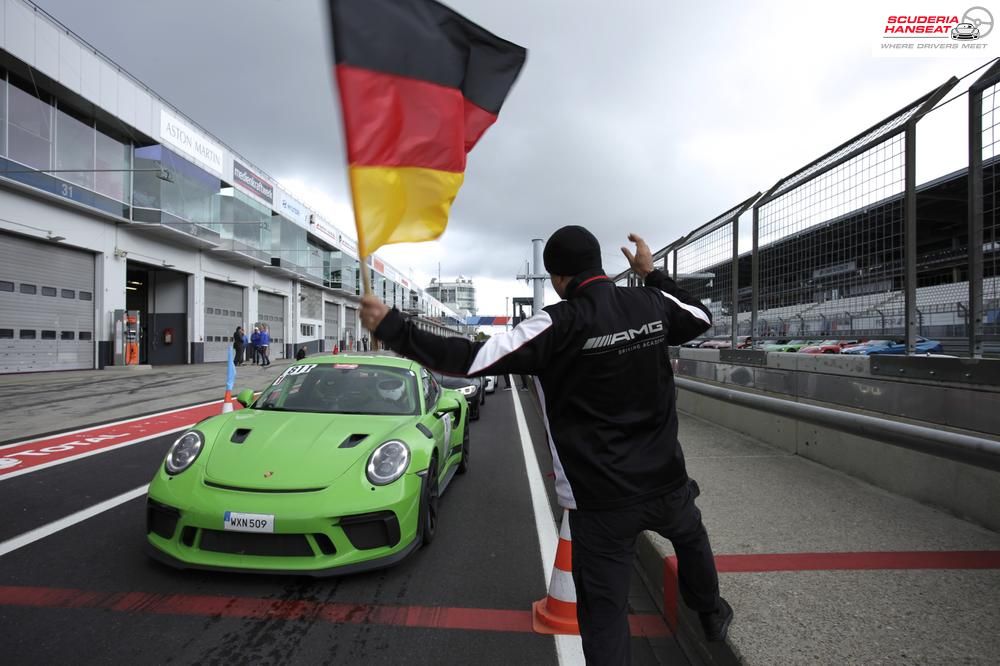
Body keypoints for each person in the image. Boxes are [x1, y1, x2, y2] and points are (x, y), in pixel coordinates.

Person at [360, 227, 731, 665]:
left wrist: (394, 327)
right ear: (597, 264)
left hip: (601, 502)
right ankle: (709, 612)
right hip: (667, 482)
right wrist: (651, 275)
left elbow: (470, 358)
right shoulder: (651, 302)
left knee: (605, 614)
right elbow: (702, 318)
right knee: (691, 537)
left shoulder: (556, 324)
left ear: (556, 278)